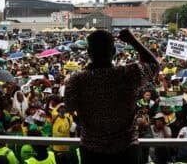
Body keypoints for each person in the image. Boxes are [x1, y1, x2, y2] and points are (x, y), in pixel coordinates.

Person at [64, 29, 159, 164]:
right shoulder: (128, 74)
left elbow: (70, 108)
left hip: (92, 152)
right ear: (114, 51)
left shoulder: (76, 80)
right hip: (126, 151)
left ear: (89, 53)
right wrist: (132, 40)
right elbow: (154, 65)